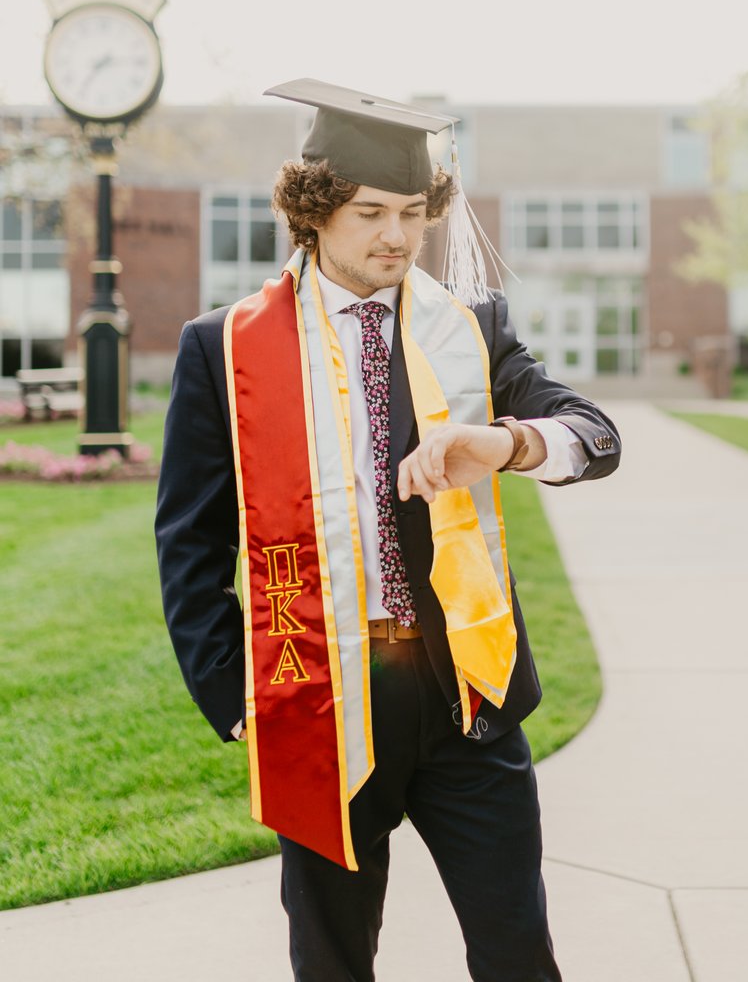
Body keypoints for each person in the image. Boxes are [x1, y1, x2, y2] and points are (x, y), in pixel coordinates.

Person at [155, 78, 621, 982]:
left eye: (413, 211)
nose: (398, 238)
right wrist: (238, 698)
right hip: (322, 700)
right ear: (314, 211)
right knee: (332, 961)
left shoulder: (470, 332)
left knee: (518, 952)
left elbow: (595, 438)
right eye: (371, 211)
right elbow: (189, 542)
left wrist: (504, 440)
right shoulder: (226, 349)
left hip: (467, 699)